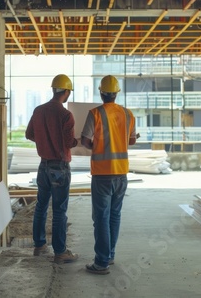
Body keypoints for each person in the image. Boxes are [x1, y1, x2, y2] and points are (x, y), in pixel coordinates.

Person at [81, 75, 139, 275]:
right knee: (114, 215)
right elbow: (131, 142)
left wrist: (98, 145)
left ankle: (101, 262)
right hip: (121, 173)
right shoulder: (128, 114)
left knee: (101, 217)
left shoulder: (95, 113)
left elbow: (85, 141)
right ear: (116, 93)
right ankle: (110, 254)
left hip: (102, 173)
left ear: (101, 92)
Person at [25, 74, 79, 264]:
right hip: (60, 167)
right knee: (59, 210)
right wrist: (77, 141)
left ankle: (39, 245)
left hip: (43, 165)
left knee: (41, 206)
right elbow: (69, 142)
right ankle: (60, 252)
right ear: (66, 92)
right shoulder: (66, 115)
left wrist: (44, 140)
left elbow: (29, 134)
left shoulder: (39, 111)